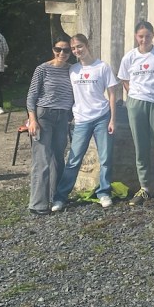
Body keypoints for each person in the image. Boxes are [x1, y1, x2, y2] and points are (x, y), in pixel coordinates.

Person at [52, 34, 121, 211]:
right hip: (81, 119)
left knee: (105, 158)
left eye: (80, 46)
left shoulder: (102, 67)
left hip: (102, 117)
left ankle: (104, 192)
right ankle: (60, 197)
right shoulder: (72, 69)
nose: (77, 51)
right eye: (74, 48)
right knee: (74, 159)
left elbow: (112, 94)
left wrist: (113, 119)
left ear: (87, 45)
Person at [118, 20, 154, 207]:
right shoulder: (129, 57)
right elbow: (125, 80)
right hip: (136, 104)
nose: (144, 39)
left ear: (153, 36)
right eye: (141, 36)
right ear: (136, 37)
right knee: (141, 146)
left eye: (148, 36)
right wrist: (136, 96)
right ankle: (144, 188)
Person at [26, 36, 75, 216]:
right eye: (58, 49)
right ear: (53, 50)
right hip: (44, 116)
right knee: (42, 159)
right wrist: (32, 120)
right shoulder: (43, 69)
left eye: (66, 50)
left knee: (58, 159)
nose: (62, 53)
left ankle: (57, 197)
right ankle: (38, 203)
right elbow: (31, 96)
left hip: (63, 117)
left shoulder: (73, 70)